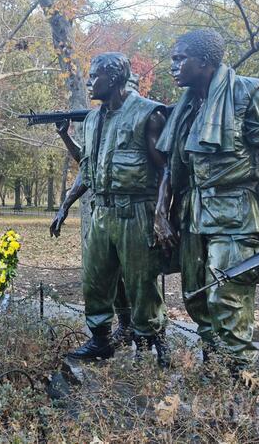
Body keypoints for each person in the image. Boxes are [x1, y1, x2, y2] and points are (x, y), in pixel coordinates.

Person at [154, 29, 259, 370]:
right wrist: (161, 215)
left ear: (204, 61)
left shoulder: (249, 93)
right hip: (193, 216)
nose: (173, 67)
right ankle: (217, 376)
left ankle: (241, 386)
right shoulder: (186, 106)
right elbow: (171, 167)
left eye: (180, 59)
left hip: (235, 215)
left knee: (227, 300)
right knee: (197, 300)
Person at [55, 53, 170, 365]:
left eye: (96, 76)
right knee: (94, 280)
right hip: (102, 213)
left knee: (140, 282)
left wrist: (162, 215)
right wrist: (65, 205)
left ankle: (154, 343)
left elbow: (167, 171)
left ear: (115, 79)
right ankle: (101, 340)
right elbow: (88, 169)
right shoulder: (93, 119)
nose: (90, 82)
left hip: (136, 212)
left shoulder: (148, 114)